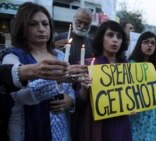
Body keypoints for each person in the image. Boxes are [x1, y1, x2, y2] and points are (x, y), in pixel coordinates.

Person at [1, 2, 75, 140]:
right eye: (33, 24)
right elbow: (20, 97)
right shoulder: (12, 57)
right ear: (22, 27)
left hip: (61, 130)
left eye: (45, 24)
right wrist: (55, 79)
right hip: (30, 131)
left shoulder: (60, 55)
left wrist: (70, 99)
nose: (41, 29)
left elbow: (68, 87)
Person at [78, 20, 132, 141]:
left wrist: (134, 105)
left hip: (121, 124)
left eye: (119, 37)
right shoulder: (88, 65)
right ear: (101, 38)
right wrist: (84, 88)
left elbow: (132, 95)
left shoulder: (127, 66)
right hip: (98, 124)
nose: (115, 40)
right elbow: (79, 103)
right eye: (110, 35)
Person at [128, 31, 156, 141]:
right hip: (138, 115)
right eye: (146, 42)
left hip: (154, 116)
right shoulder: (130, 65)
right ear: (139, 44)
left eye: (153, 43)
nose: (150, 45)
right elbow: (128, 91)